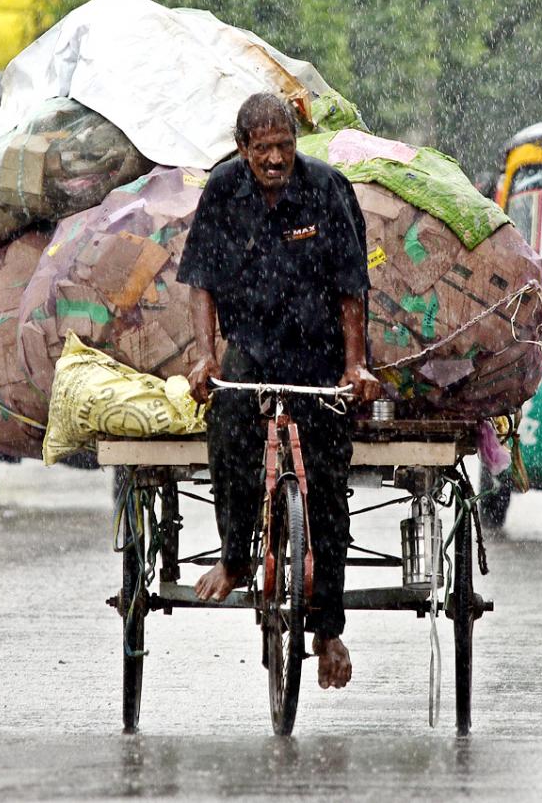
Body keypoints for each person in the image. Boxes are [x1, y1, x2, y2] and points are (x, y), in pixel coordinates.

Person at [176, 92, 381, 690]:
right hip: (253, 347)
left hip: (318, 354)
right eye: (262, 148)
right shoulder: (221, 191)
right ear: (242, 149)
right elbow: (201, 284)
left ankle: (328, 630)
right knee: (230, 419)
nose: (274, 159)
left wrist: (355, 366)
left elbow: (351, 286)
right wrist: (204, 357)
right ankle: (236, 555)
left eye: (284, 146)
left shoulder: (327, 189)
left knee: (326, 481)